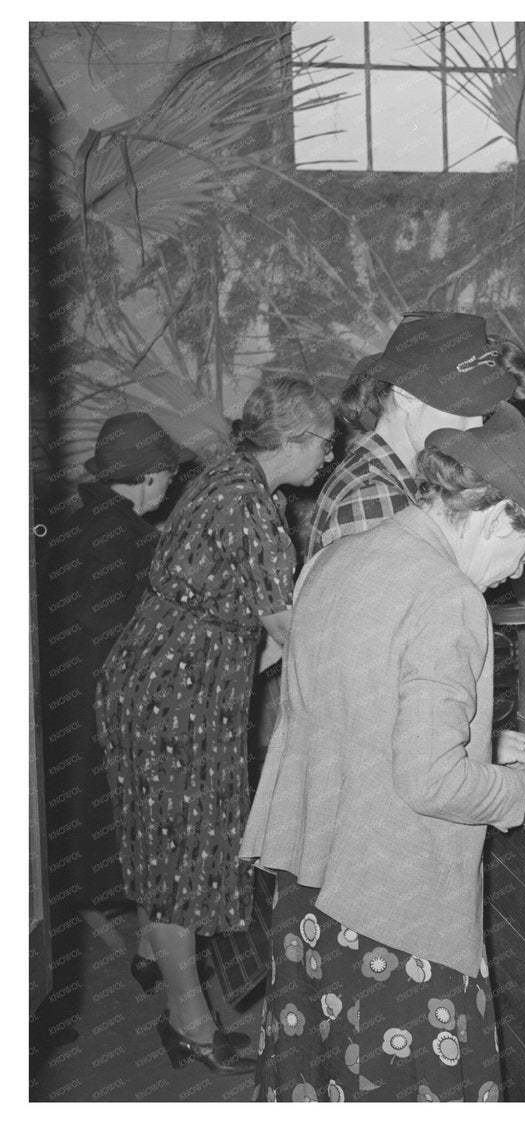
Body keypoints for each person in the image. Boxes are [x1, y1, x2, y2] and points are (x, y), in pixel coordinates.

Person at [241, 407, 525, 1102]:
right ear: (497, 517)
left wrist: (480, 742)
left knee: (323, 1081)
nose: (516, 575)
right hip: (393, 912)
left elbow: (347, 713)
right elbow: (431, 782)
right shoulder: (448, 594)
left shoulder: (335, 559)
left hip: (313, 893)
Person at [95, 376, 336, 1075]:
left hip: (159, 681)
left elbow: (263, 633)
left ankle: (151, 955)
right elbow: (291, 629)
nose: (326, 456)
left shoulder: (227, 476)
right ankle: (191, 1024)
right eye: (321, 443)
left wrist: (259, 657)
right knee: (180, 860)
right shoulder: (249, 508)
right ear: (290, 442)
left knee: (164, 836)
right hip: (174, 697)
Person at [36, 413, 194, 1049]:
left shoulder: (73, 522)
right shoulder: (126, 537)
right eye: (168, 476)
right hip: (106, 721)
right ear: (149, 477)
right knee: (144, 847)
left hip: (59, 718)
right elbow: (131, 647)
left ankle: (140, 950)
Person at [309, 312, 525, 557]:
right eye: (464, 409)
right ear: (407, 397)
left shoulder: (393, 478)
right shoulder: (376, 499)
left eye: (483, 414)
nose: (476, 427)